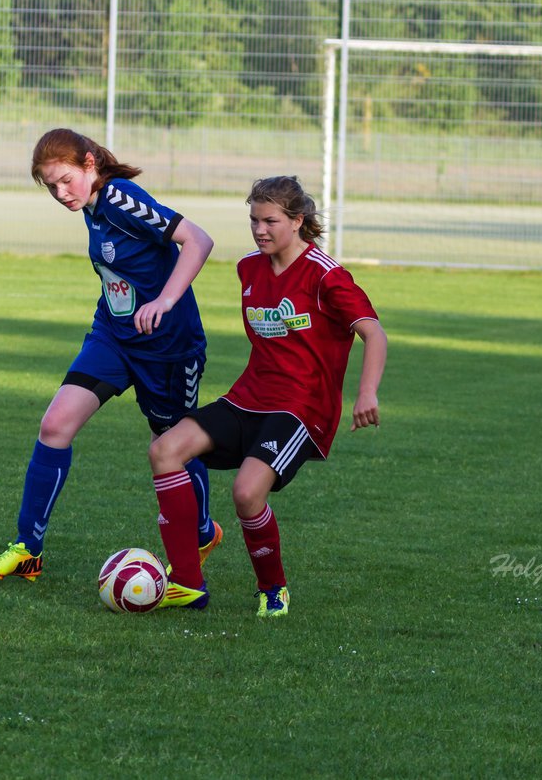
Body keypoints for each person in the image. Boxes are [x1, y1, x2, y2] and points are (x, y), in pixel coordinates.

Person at [0, 128, 222, 583]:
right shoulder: (90, 208)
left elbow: (199, 240)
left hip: (168, 347)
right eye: (50, 186)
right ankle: (28, 549)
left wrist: (165, 300)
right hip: (112, 337)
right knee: (55, 425)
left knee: (171, 446)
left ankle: (202, 531)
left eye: (66, 180)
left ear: (90, 164)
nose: (59, 192)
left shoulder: (122, 197)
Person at [148, 175, 387, 617]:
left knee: (246, 494)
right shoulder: (249, 268)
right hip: (247, 398)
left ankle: (273, 589)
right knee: (165, 450)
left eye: (270, 221)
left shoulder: (326, 276)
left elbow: (373, 333)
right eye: (254, 220)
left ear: (298, 221)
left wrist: (365, 392)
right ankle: (186, 582)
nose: (260, 230)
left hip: (300, 409)